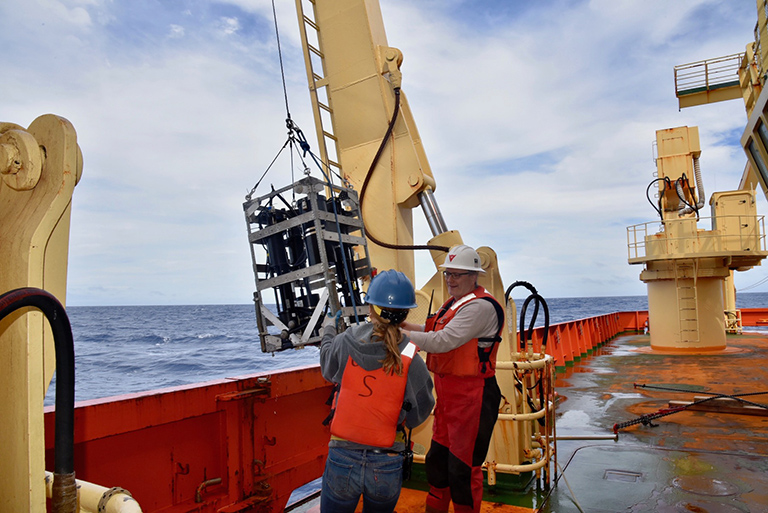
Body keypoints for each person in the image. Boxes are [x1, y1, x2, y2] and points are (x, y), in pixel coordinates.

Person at [319, 269, 435, 513]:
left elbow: (328, 367)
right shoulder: (410, 357)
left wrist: (329, 328)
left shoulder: (346, 340)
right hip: (386, 463)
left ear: (371, 308)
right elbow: (419, 413)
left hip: (342, 458)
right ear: (405, 313)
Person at [401, 245, 505, 513]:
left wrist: (397, 339)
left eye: (457, 275)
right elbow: (431, 328)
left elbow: (442, 340)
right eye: (448, 274)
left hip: (474, 397)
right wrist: (399, 326)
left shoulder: (480, 308)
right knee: (438, 461)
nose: (451, 280)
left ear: (474, 276)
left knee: (463, 469)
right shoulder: (455, 303)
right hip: (448, 398)